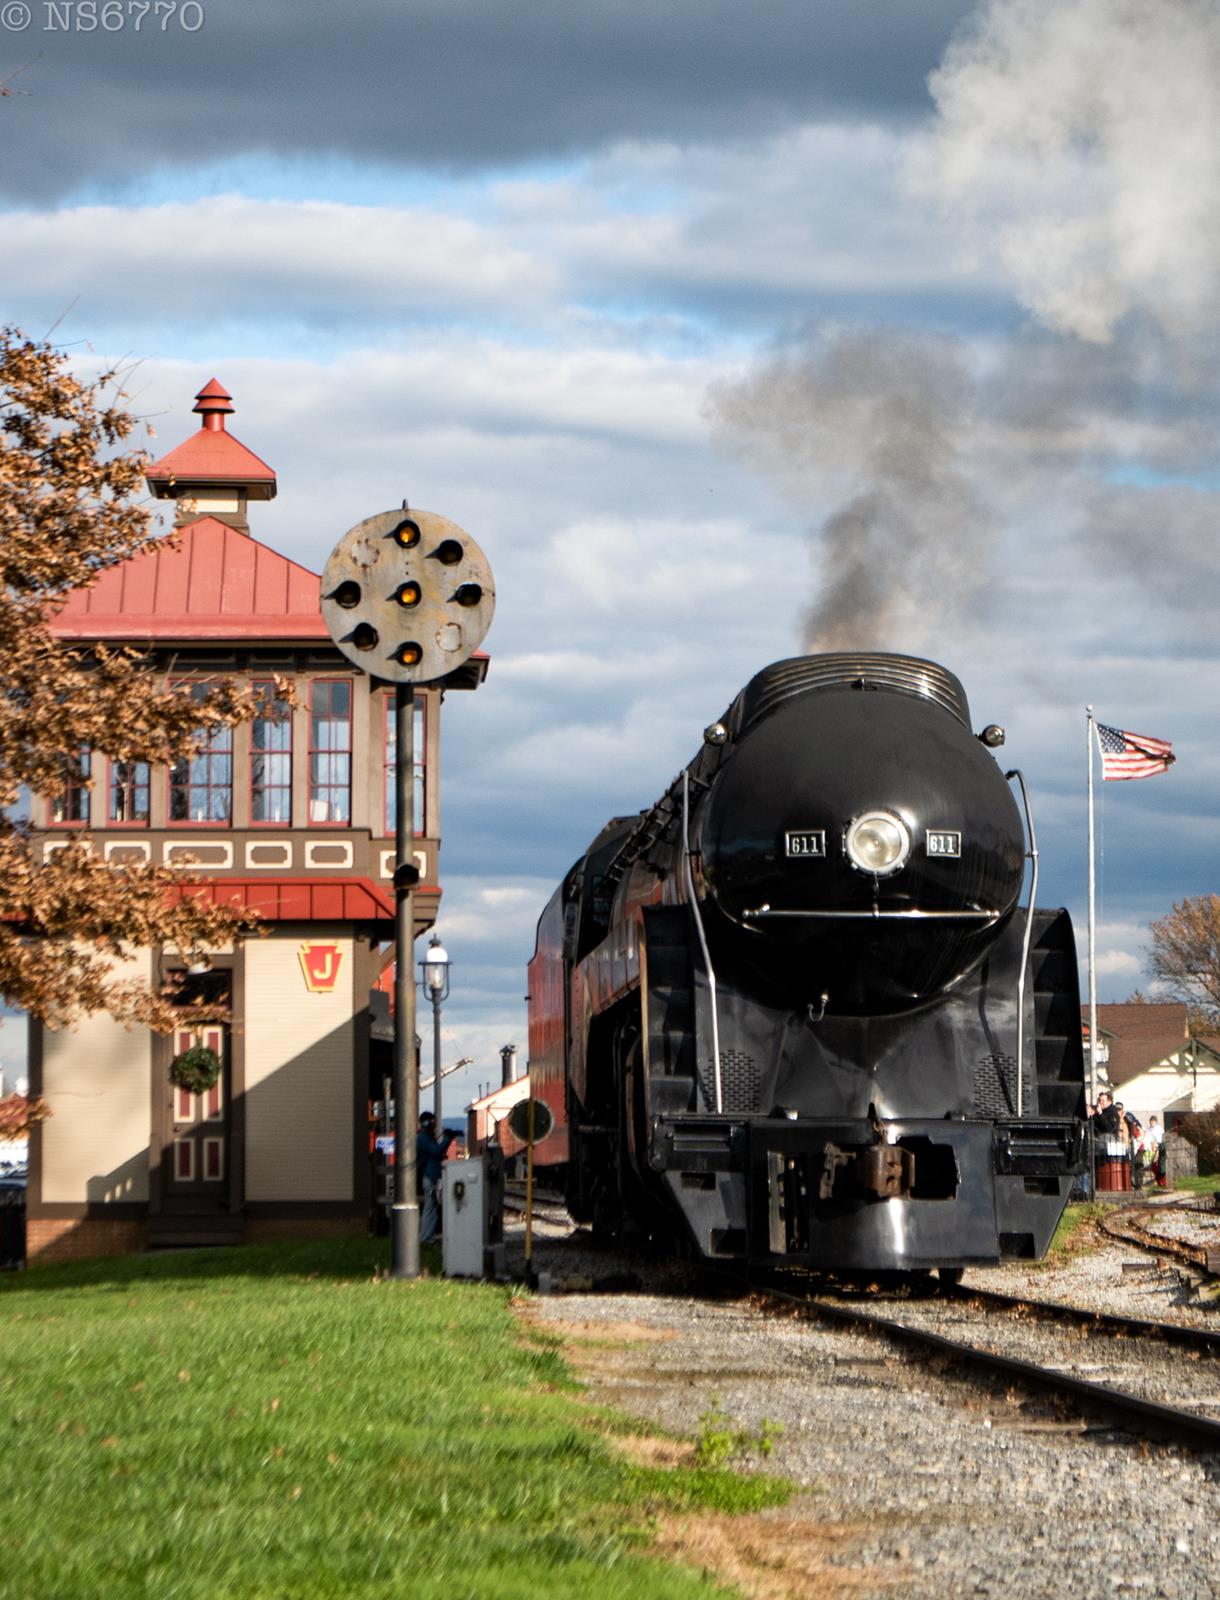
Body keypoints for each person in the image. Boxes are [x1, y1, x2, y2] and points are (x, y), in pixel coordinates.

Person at [417, 1110, 455, 1244]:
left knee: (432, 1208)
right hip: (429, 1177)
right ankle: (426, 1237)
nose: (434, 1125)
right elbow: (436, 1151)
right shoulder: (423, 1137)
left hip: (431, 1176)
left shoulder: (425, 1137)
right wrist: (447, 1140)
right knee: (429, 1208)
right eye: (433, 1122)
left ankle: (428, 1236)